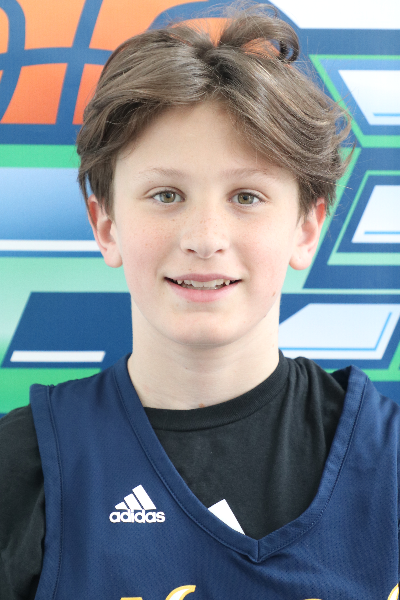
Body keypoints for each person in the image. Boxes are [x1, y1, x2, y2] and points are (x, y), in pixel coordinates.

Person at [1, 2, 399, 599]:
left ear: (306, 227)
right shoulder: (20, 468)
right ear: (106, 225)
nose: (205, 239)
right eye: (166, 194)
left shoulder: (389, 459)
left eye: (246, 196)